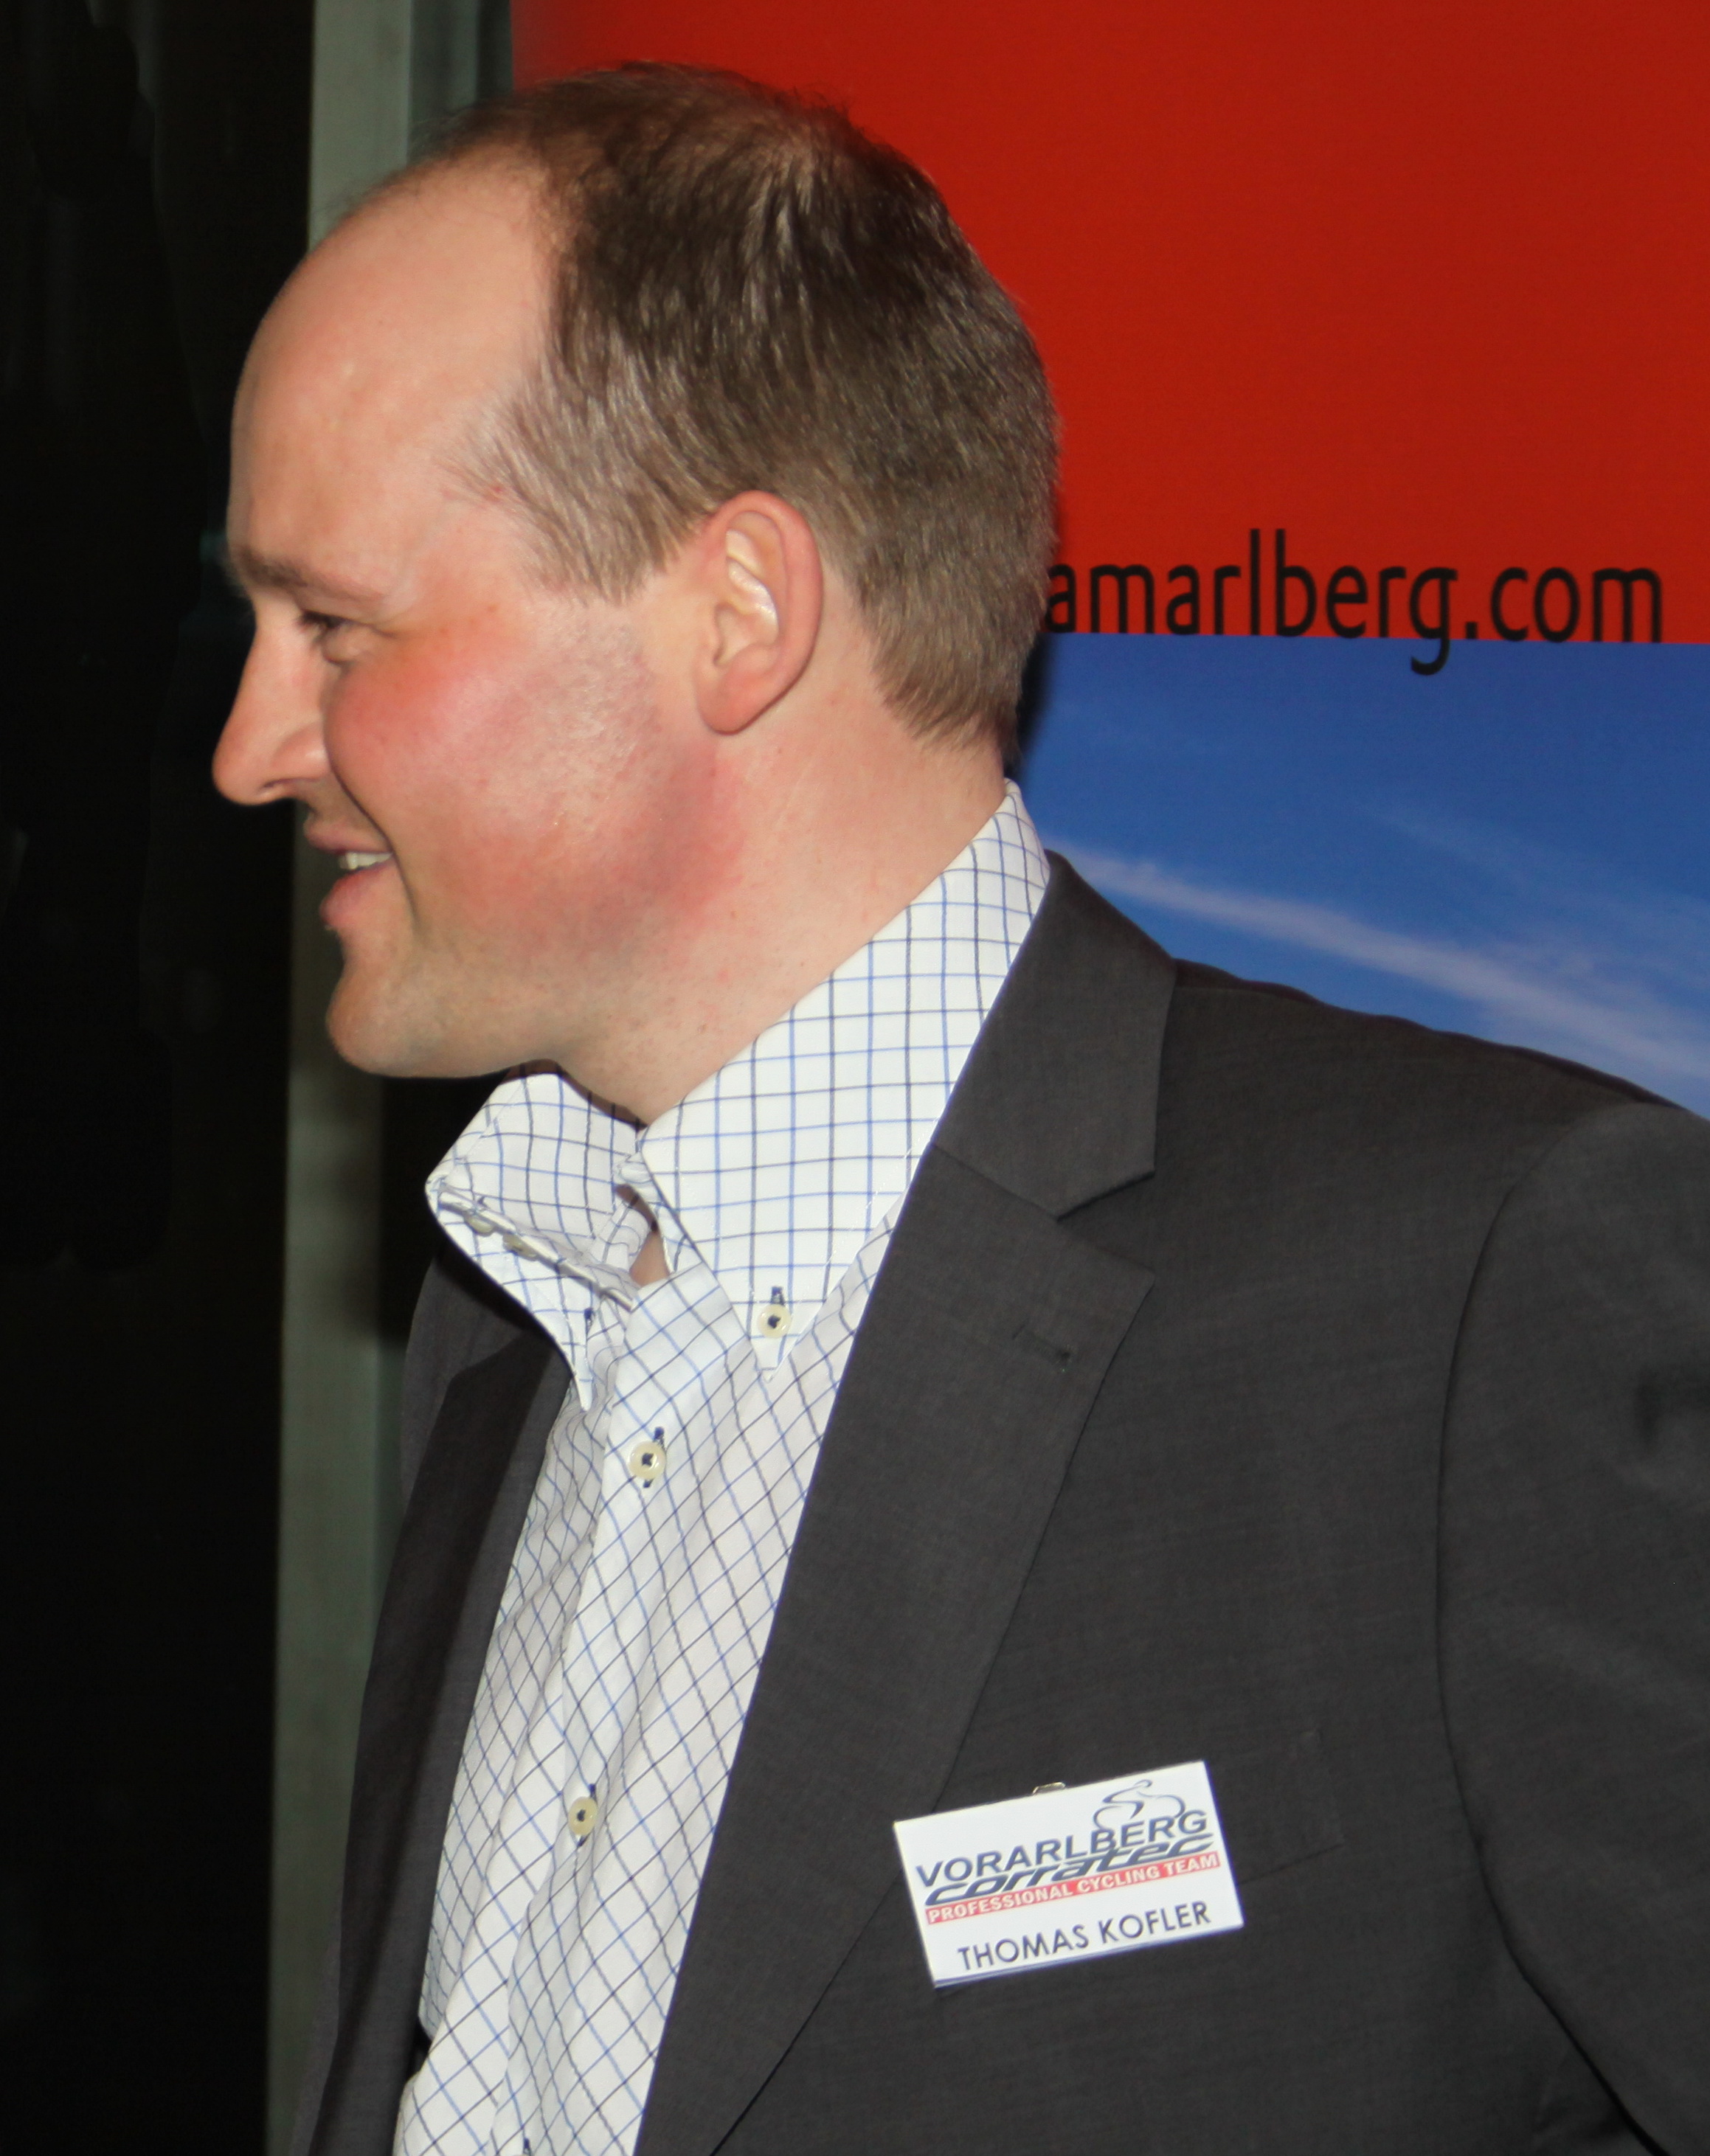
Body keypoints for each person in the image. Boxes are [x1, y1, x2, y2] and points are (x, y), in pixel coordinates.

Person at [215, 64, 1710, 2156]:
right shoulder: (513, 1315)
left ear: (738, 614)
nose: (251, 745)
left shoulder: (1468, 1299)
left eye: (333, 625)